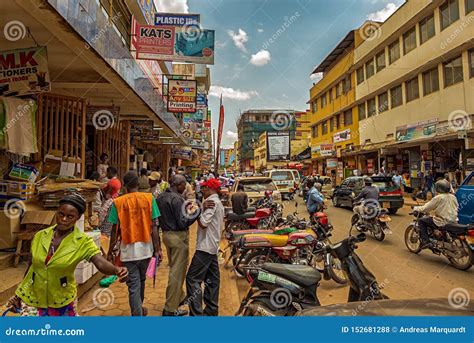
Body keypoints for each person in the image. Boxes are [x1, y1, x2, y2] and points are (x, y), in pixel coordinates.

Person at [7, 194, 128, 316]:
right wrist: (19, 295)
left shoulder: (82, 241)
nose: (64, 219)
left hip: (62, 301)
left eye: (70, 216)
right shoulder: (40, 236)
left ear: (78, 218)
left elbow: (99, 261)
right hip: (33, 298)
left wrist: (116, 269)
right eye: (61, 214)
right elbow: (32, 268)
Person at [108, 172, 162, 316]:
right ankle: (139, 309)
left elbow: (114, 230)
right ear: (138, 184)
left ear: (125, 186)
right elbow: (154, 227)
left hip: (128, 252)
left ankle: (137, 314)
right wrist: (158, 249)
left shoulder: (118, 203)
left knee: (133, 286)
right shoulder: (149, 199)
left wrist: (110, 251)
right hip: (146, 250)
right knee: (142, 280)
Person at [156, 175, 201, 316]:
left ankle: (180, 297)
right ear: (179, 184)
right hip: (178, 237)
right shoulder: (177, 199)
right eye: (184, 185)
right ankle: (170, 309)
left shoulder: (160, 197)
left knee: (175, 268)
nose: (185, 187)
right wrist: (196, 213)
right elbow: (183, 222)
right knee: (177, 272)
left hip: (166, 236)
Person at [186, 178, 224, 316]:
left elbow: (203, 223)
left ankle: (197, 314)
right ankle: (211, 311)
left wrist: (197, 211)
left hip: (205, 248)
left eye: (204, 188)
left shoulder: (211, 203)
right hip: (212, 246)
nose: (202, 190)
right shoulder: (217, 202)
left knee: (192, 279)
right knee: (213, 280)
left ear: (210, 189)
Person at [414, 179, 459, 249]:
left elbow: (426, 208)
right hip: (453, 221)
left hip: (442, 221)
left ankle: (426, 242)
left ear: (438, 188)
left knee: (421, 221)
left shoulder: (439, 197)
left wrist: (416, 208)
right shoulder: (453, 197)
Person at [99, 166, 122, 237]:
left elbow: (107, 196)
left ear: (111, 172)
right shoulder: (118, 181)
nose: (106, 174)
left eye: (107, 172)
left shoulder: (111, 182)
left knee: (105, 224)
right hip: (115, 202)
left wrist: (100, 188)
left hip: (109, 202)